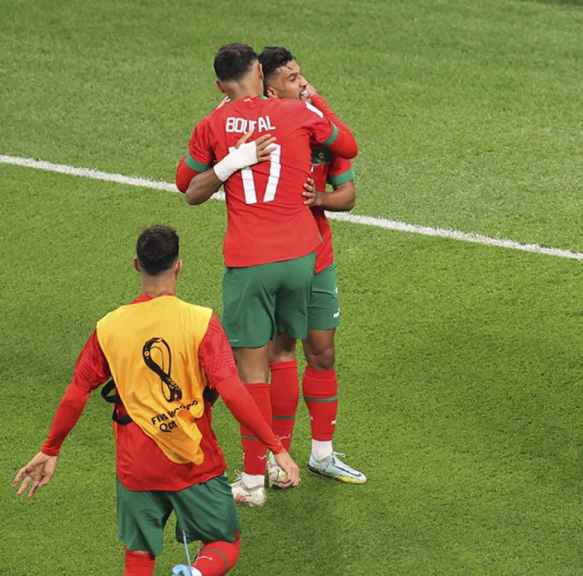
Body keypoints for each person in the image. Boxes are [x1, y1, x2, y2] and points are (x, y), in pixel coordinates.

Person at [12, 225, 300, 576]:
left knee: (139, 553)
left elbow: (77, 391)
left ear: (136, 264)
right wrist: (276, 447)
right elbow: (233, 391)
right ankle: (196, 573)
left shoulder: (109, 327)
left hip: (138, 464)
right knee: (224, 542)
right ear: (179, 265)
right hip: (193, 459)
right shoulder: (201, 322)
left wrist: (51, 448)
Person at [175, 42, 358, 507]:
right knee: (285, 352)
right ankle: (283, 459)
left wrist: (229, 160)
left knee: (253, 369)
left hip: (251, 258)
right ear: (262, 73)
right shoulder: (298, 117)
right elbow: (347, 144)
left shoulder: (214, 123)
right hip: (301, 256)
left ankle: (256, 476)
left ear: (220, 85)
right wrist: (314, 102)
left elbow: (188, 187)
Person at [257, 46, 366, 486]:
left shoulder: (322, 132)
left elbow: (349, 193)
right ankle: (277, 455)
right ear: (269, 87)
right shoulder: (265, 134)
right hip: (279, 258)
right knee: (280, 350)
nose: (302, 82)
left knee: (322, 351)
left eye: (302, 74)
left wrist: (319, 198)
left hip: (319, 258)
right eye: (292, 78)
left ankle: (321, 453)